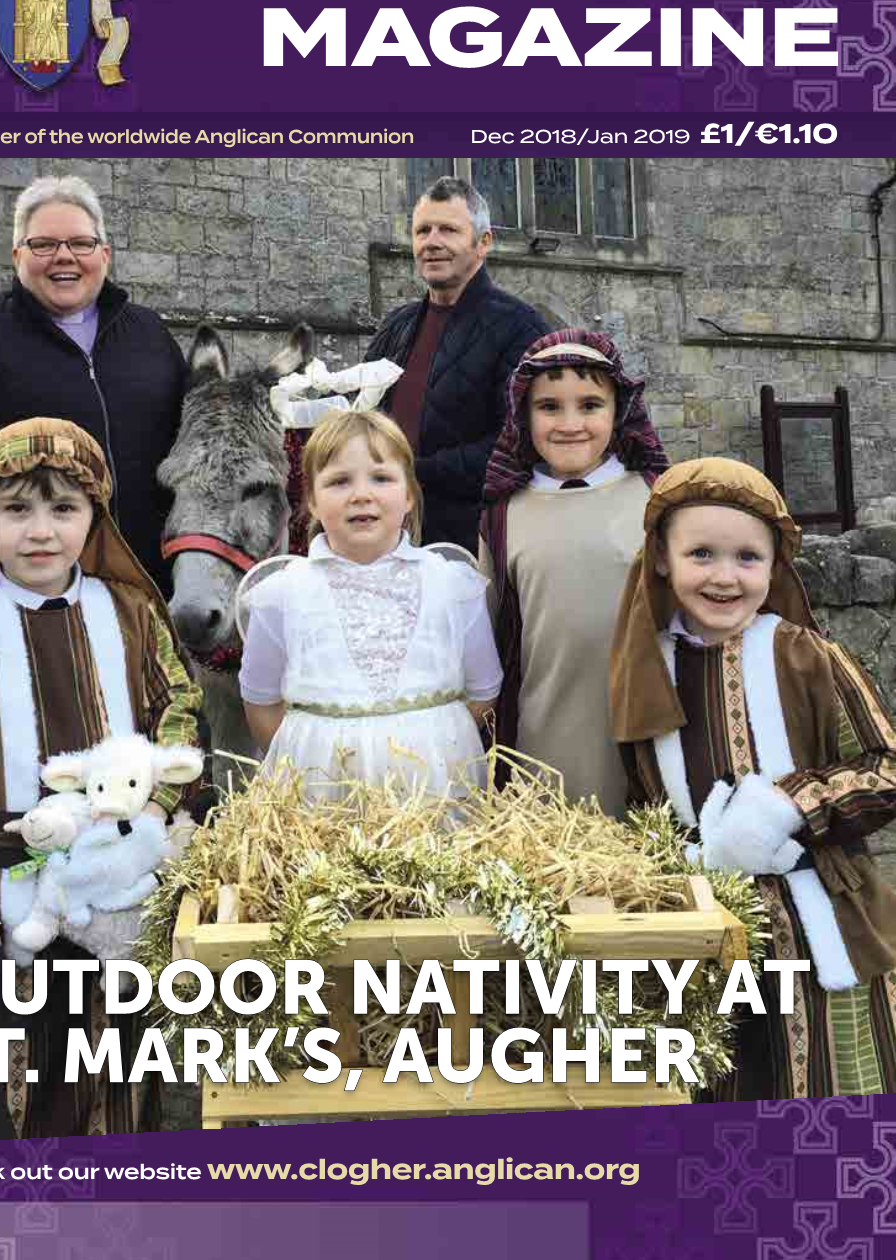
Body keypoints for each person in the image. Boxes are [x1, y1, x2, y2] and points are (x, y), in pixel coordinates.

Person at [0, 173, 187, 1061]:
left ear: (106, 253)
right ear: (19, 254)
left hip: (117, 594)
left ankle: (116, 975)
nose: (65, 257)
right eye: (45, 244)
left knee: (106, 790)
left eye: (80, 243)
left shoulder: (149, 340)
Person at [0, 417, 202, 1141]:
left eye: (64, 508)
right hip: (3, 916)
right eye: (16, 509)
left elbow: (180, 716)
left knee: (116, 1093)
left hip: (118, 907)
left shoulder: (133, 618)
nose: (41, 532)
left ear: (94, 519)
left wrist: (149, 809)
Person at [610, 457, 896, 1099]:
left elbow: (887, 768)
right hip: (702, 923)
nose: (723, 576)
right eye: (701, 553)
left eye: (747, 558)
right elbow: (646, 800)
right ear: (662, 558)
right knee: (721, 1094)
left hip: (818, 922)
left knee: (826, 1098)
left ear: (774, 566)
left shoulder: (809, 658)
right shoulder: (645, 669)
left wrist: (786, 808)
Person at [238, 410, 502, 797]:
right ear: (311, 500)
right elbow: (261, 702)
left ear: (409, 495)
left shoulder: (451, 583)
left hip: (433, 787)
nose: (362, 494)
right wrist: (314, 746)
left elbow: (483, 690)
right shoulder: (282, 594)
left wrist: (432, 736)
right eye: (340, 481)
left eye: (381, 478)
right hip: (320, 790)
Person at [479, 330, 669, 812]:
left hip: (651, 740)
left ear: (618, 411)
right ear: (523, 413)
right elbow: (488, 640)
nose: (570, 423)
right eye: (549, 407)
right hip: (541, 744)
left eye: (589, 405)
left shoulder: (658, 500)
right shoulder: (501, 517)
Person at [364, 176, 548, 552]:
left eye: (448, 229)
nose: (432, 242)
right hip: (387, 534)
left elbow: (518, 445)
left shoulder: (519, 327)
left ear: (483, 243)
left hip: (469, 542)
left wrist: (413, 472)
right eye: (422, 231)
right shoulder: (397, 326)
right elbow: (362, 415)